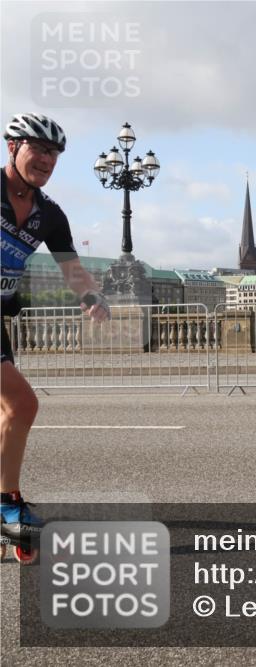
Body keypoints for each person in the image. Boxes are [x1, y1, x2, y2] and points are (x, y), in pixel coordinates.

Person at [1, 113, 110, 562]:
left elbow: (71, 267)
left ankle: (8, 506)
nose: (45, 159)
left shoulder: (49, 214)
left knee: (16, 407)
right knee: (22, 403)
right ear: (13, 148)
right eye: (37, 148)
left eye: (53, 153)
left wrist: (90, 296)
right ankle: (8, 507)